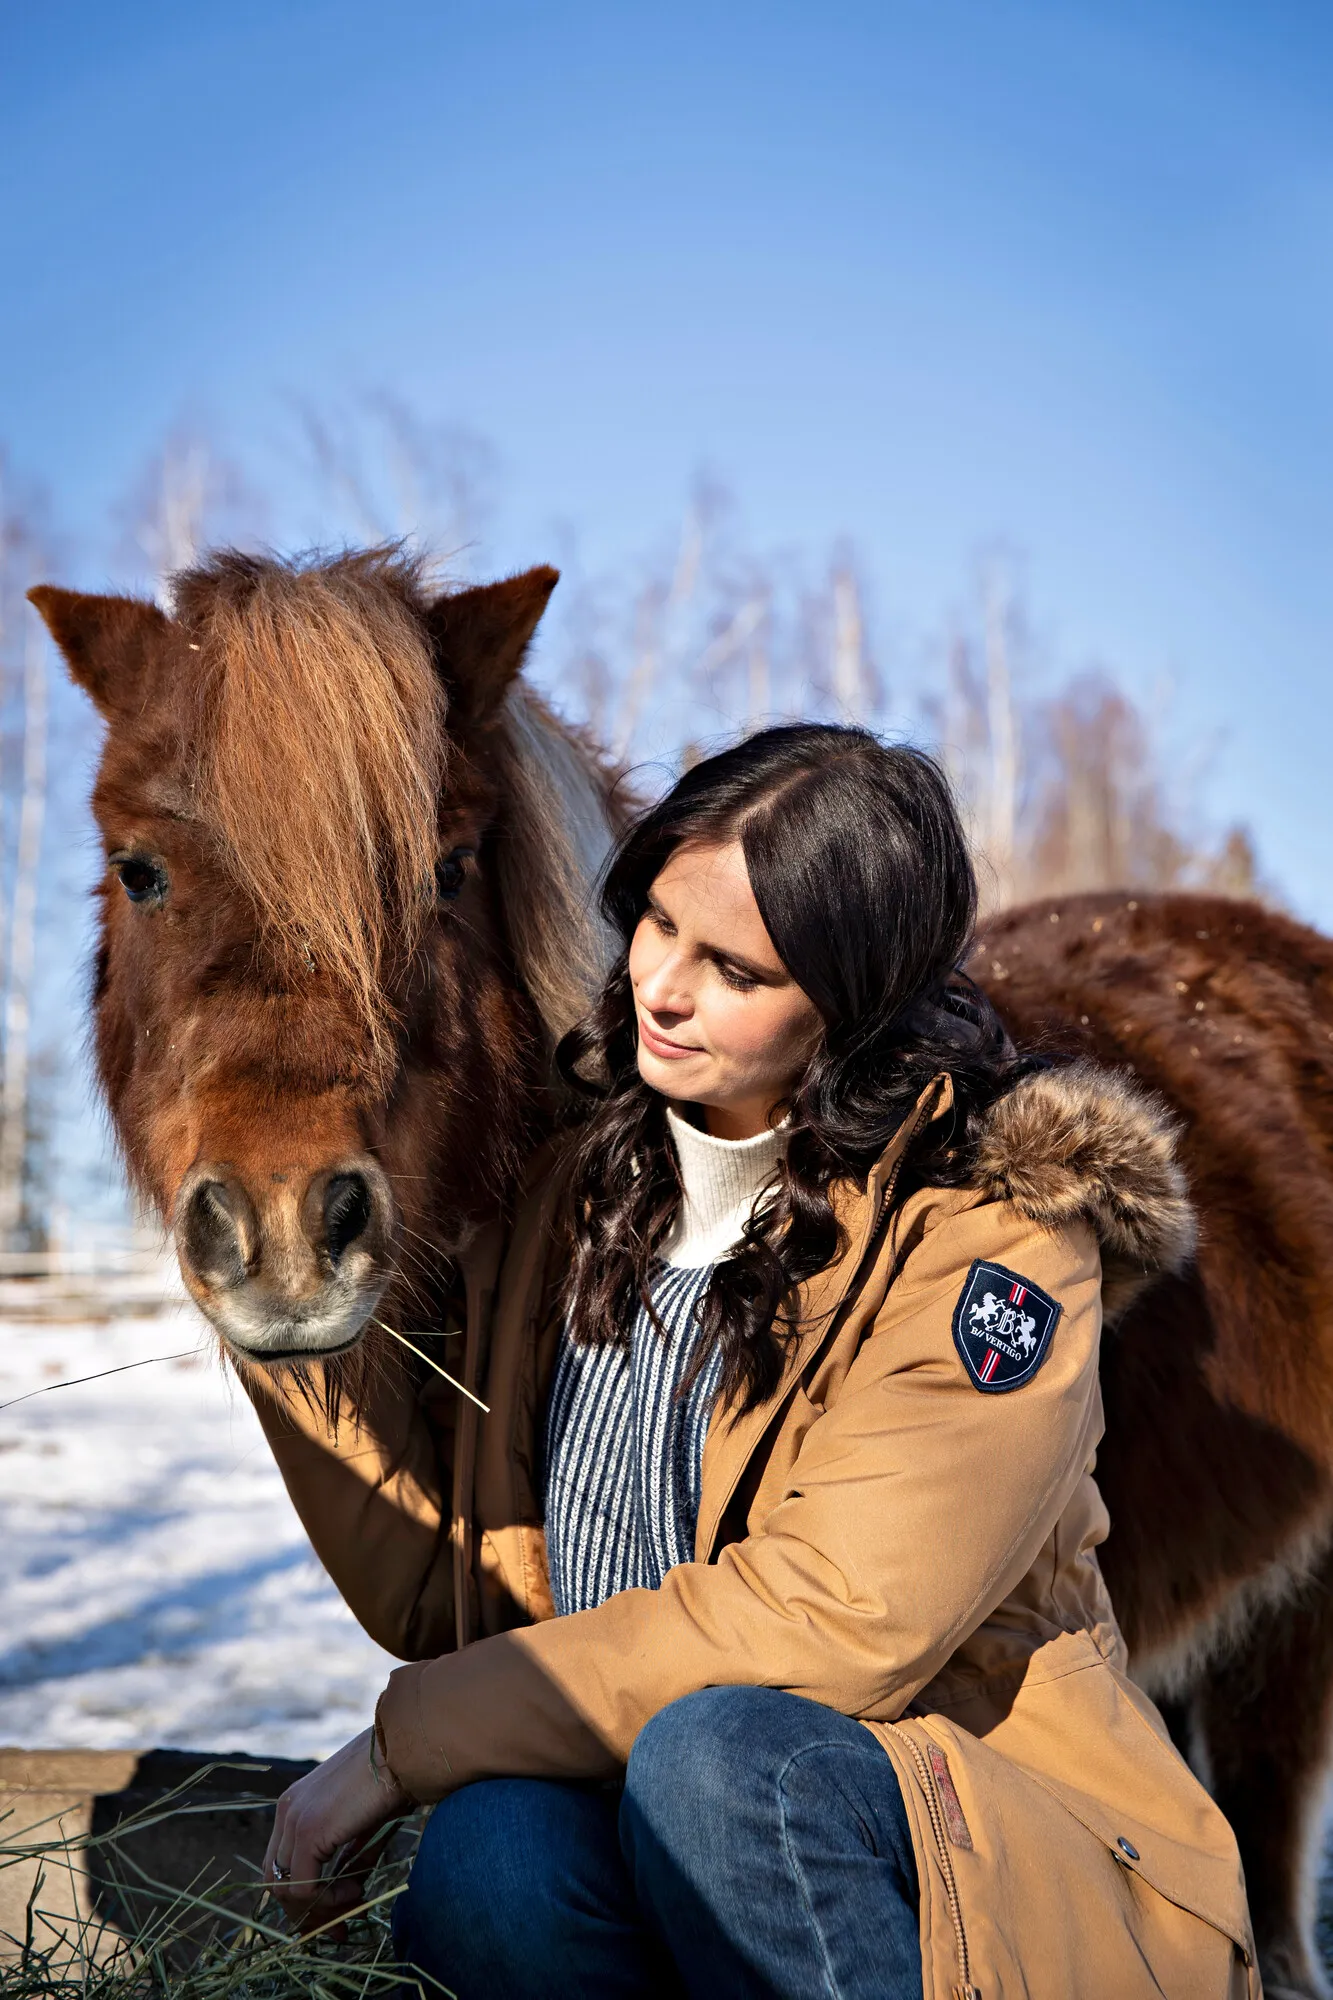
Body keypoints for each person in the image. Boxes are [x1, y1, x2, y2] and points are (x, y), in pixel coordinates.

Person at [256, 725, 1257, 1998]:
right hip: (640, 1832)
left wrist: (399, 1745)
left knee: (726, 1764)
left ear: (852, 999)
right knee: (493, 1845)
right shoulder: (580, 1193)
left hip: (955, 1854)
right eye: (658, 924)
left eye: (734, 968)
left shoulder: (989, 1237)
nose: (660, 987)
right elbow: (443, 1588)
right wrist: (266, 1280)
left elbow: (838, 1620)